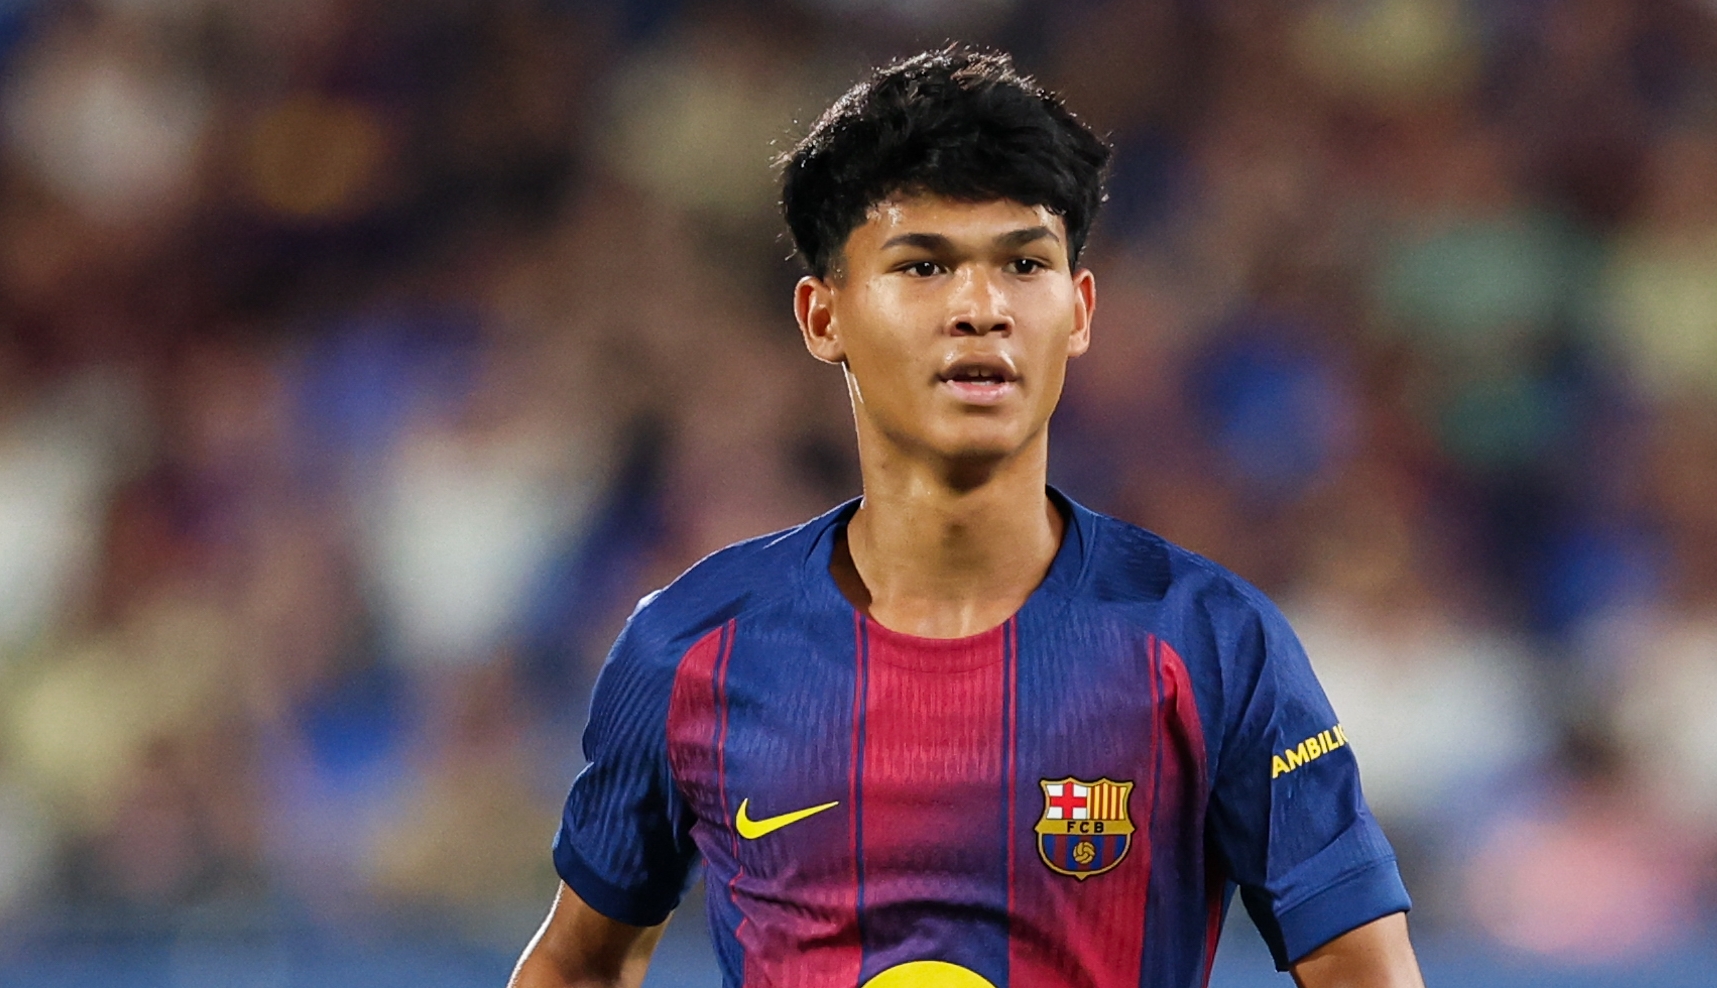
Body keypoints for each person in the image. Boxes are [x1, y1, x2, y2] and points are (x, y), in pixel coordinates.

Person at [509, 49, 1426, 988]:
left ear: (1078, 309)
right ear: (823, 317)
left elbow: (1367, 974)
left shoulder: (1211, 643)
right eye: (924, 266)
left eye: (1025, 263)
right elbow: (579, 966)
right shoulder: (692, 647)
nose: (981, 308)